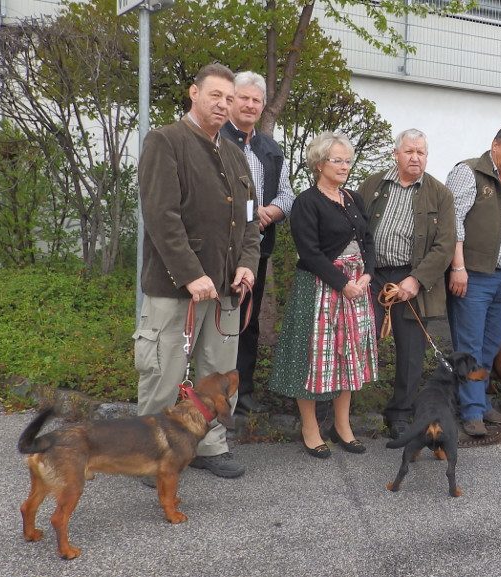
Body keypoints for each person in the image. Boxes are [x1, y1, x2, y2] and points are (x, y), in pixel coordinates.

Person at [135, 63, 258, 479]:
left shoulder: (237, 156)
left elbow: (250, 223)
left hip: (225, 290)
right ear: (194, 93)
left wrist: (246, 265)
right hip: (175, 289)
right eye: (216, 96)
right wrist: (191, 273)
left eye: (230, 98)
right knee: (164, 371)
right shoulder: (165, 142)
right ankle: (148, 452)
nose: (224, 105)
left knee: (216, 375)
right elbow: (161, 216)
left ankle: (209, 445)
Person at [268, 132, 378, 458]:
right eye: (337, 160)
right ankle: (310, 427)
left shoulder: (354, 198)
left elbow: (369, 240)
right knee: (314, 360)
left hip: (357, 289)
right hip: (320, 289)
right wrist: (343, 283)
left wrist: (367, 275)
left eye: (347, 160)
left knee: (349, 359)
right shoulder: (307, 202)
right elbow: (311, 253)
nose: (345, 166)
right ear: (319, 163)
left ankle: (342, 426)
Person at [358, 129, 455, 440]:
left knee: (411, 352)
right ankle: (342, 409)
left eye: (421, 153)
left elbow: (445, 245)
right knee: (355, 338)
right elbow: (355, 226)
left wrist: (417, 279)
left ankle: (400, 414)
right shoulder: (373, 184)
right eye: (410, 151)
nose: (416, 157)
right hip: (371, 275)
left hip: (412, 278)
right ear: (395, 154)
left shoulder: (440, 194)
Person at [444, 122, 501, 437]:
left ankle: (479, 403)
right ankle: (471, 411)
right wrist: (457, 266)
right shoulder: (469, 172)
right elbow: (452, 219)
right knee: (469, 344)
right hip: (473, 276)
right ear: (495, 144)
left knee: (491, 344)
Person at [220, 71, 297, 414]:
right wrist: (250, 213)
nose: (250, 105)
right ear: (231, 99)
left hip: (258, 250)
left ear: (263, 106)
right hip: (218, 249)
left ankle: (244, 390)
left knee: (247, 322)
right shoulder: (215, 139)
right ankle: (214, 393)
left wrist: (270, 211)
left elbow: (287, 193)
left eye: (257, 100)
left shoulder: (270, 148)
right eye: (244, 98)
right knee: (216, 321)